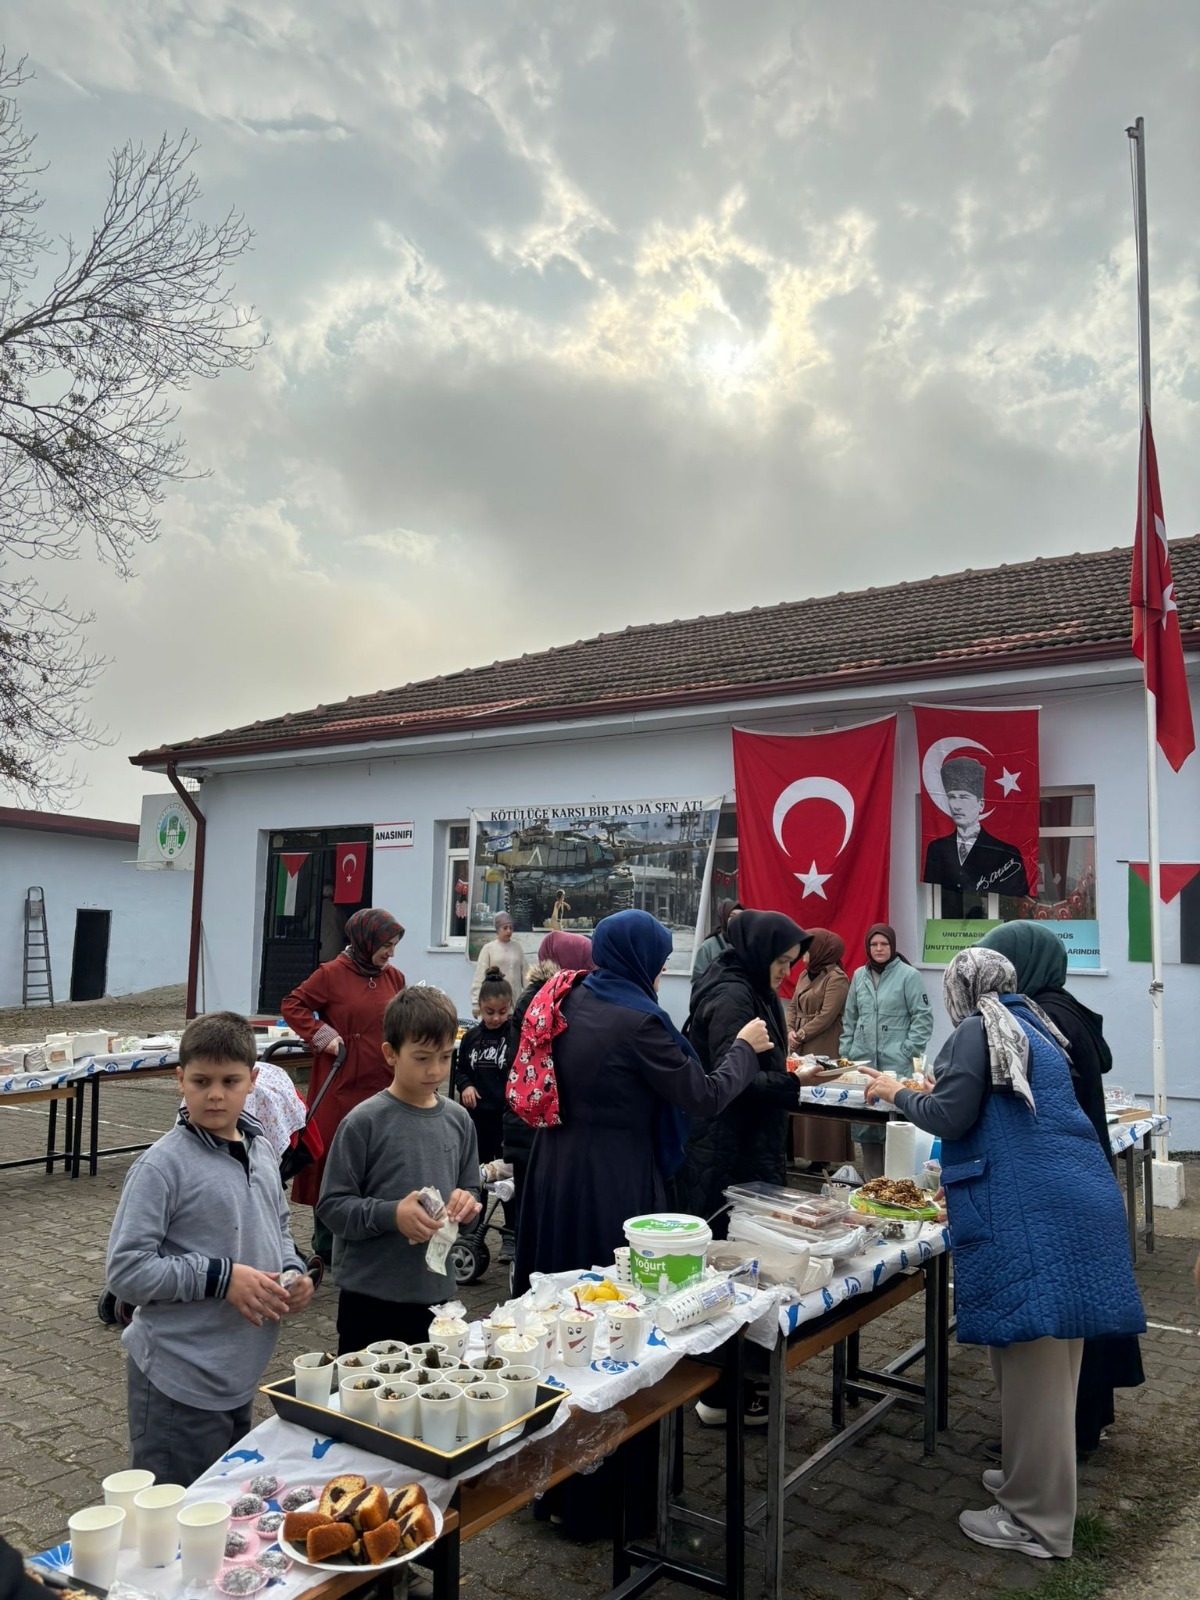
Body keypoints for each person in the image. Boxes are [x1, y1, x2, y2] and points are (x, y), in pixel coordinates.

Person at [862, 948, 1145, 1561]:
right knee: (1042, 1365)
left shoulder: (977, 1028)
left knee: (1036, 1371)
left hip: (1033, 1216)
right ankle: (1027, 1479)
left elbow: (952, 1117)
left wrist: (892, 1092)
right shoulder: (1029, 1023)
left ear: (963, 988)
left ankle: (1038, 1522)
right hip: (1070, 1204)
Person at [513, 909, 772, 1294]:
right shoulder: (639, 1023)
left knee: (559, 1279)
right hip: (611, 1173)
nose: (659, 976)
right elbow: (703, 1095)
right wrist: (743, 1049)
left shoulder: (569, 995)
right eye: (661, 966)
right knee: (608, 1284)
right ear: (640, 960)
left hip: (554, 1161)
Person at [105, 1012, 314, 1486]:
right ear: (180, 1079)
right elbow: (126, 1271)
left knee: (221, 1516)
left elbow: (277, 1224)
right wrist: (222, 1278)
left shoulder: (261, 1150)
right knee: (180, 1524)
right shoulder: (161, 1167)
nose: (215, 1094)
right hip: (177, 1384)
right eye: (201, 1081)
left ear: (253, 1081)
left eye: (229, 1081)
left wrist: (291, 1269)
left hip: (237, 1375)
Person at [978, 920, 1145, 1453]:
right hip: (1082, 1173)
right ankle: (1083, 1425)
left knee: (1068, 1318)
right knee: (1082, 1315)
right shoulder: (1062, 1008)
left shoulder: (1045, 1020)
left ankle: (1067, 1438)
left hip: (1062, 1184)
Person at [318, 986, 482, 1351]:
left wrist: (466, 1205)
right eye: (422, 1058)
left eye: (444, 1056)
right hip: (371, 1299)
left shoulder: (458, 1120)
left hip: (436, 1297)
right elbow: (331, 1207)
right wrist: (393, 1214)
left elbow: (472, 1190)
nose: (436, 1070)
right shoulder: (364, 1122)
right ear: (390, 1054)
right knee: (365, 1403)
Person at [681, 912, 822, 1231]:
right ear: (759, 952)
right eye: (782, 961)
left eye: (792, 963)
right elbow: (732, 1080)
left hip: (749, 1141)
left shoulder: (755, 986)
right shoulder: (733, 995)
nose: (787, 971)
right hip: (727, 1147)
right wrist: (793, 1082)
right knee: (729, 1242)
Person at [281, 908, 406, 1267]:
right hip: (340, 1084)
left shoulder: (393, 978)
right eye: (385, 945)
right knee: (334, 1159)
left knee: (377, 1158)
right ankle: (326, 1242)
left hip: (382, 1082)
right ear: (365, 941)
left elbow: (403, 1018)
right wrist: (323, 1035)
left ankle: (372, 1233)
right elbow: (293, 1004)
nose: (391, 953)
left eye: (394, 945)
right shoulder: (331, 974)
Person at [504, 931, 596, 1250]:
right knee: (538, 1213)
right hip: (535, 1122)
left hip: (533, 1119)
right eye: (588, 959)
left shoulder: (552, 994)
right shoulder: (546, 999)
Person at [840, 924, 933, 1179]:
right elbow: (850, 1018)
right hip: (864, 1065)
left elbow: (923, 1018)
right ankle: (872, 1189)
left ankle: (898, 1187)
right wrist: (846, 1053)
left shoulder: (908, 976)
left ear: (892, 946)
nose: (879, 949)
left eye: (884, 944)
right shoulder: (859, 975)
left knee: (897, 1130)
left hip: (897, 1067)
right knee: (867, 1128)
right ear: (868, 947)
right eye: (874, 944)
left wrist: (907, 1050)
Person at [455, 965, 518, 1258]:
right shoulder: (470, 1038)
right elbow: (460, 1070)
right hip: (477, 1120)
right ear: (479, 1007)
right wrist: (466, 1085)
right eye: (489, 1011)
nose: (496, 1018)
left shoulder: (515, 1035)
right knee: (475, 1177)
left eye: (502, 1011)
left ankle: (511, 1235)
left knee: (507, 1179)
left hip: (506, 1119)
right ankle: (471, 1233)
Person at [785, 928, 853, 1170]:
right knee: (799, 1093)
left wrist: (800, 1034)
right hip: (800, 1044)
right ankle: (794, 1152)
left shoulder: (837, 977)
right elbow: (793, 1006)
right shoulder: (804, 974)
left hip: (823, 1042)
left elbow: (827, 1015)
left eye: (807, 947)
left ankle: (822, 1156)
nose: (802, 953)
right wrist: (790, 1029)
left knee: (820, 1093)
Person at [922, 756, 1029, 897]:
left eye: (964, 797)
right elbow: (932, 895)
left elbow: (1015, 898)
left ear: (981, 805)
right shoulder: (937, 848)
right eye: (952, 797)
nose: (957, 806)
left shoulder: (1006, 853)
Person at [470, 911, 525, 1014]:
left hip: (516, 1004)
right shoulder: (489, 949)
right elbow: (479, 977)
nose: (509, 931)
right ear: (497, 929)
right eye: (505, 928)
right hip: (495, 1003)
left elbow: (526, 977)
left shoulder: (517, 948)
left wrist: (530, 999)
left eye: (511, 928)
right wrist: (475, 1004)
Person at [692, 899, 743, 978]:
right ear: (724, 918)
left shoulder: (749, 944)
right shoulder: (709, 946)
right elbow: (698, 979)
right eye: (732, 916)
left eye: (741, 916)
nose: (737, 920)